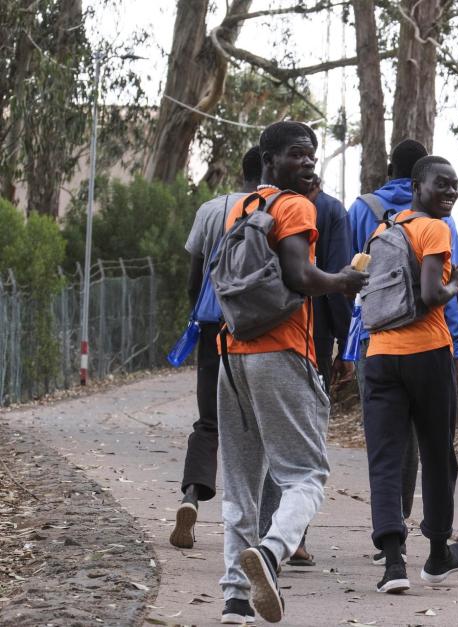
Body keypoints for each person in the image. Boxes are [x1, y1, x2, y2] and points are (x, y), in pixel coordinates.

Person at [215, 121, 368, 624]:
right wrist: (344, 281)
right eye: (298, 155)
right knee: (307, 475)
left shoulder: (239, 207)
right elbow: (301, 276)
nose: (308, 163)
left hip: (232, 355)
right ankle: (274, 550)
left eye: (312, 155)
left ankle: (235, 600)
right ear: (270, 159)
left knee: (241, 483)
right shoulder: (295, 207)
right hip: (282, 353)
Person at [347, 139, 458, 565]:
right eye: (442, 185)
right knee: (438, 455)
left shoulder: (382, 228)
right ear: (416, 185)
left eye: (455, 186)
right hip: (427, 354)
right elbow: (432, 293)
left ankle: (392, 559)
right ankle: (438, 554)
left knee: (384, 458)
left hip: (379, 353)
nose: (450, 192)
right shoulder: (435, 228)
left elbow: (360, 288)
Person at [257, 170, 355, 567]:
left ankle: (262, 532)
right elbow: (335, 279)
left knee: (267, 441)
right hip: (307, 336)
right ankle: (287, 539)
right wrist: (345, 346)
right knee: (303, 447)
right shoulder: (328, 210)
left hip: (252, 333)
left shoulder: (250, 205)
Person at [170, 146, 261, 552]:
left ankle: (191, 495)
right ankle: (258, 527)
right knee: (257, 427)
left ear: (242, 170)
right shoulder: (278, 209)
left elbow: (194, 277)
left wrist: (199, 313)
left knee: (210, 420)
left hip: (213, 327)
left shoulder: (210, 209)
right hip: (260, 330)